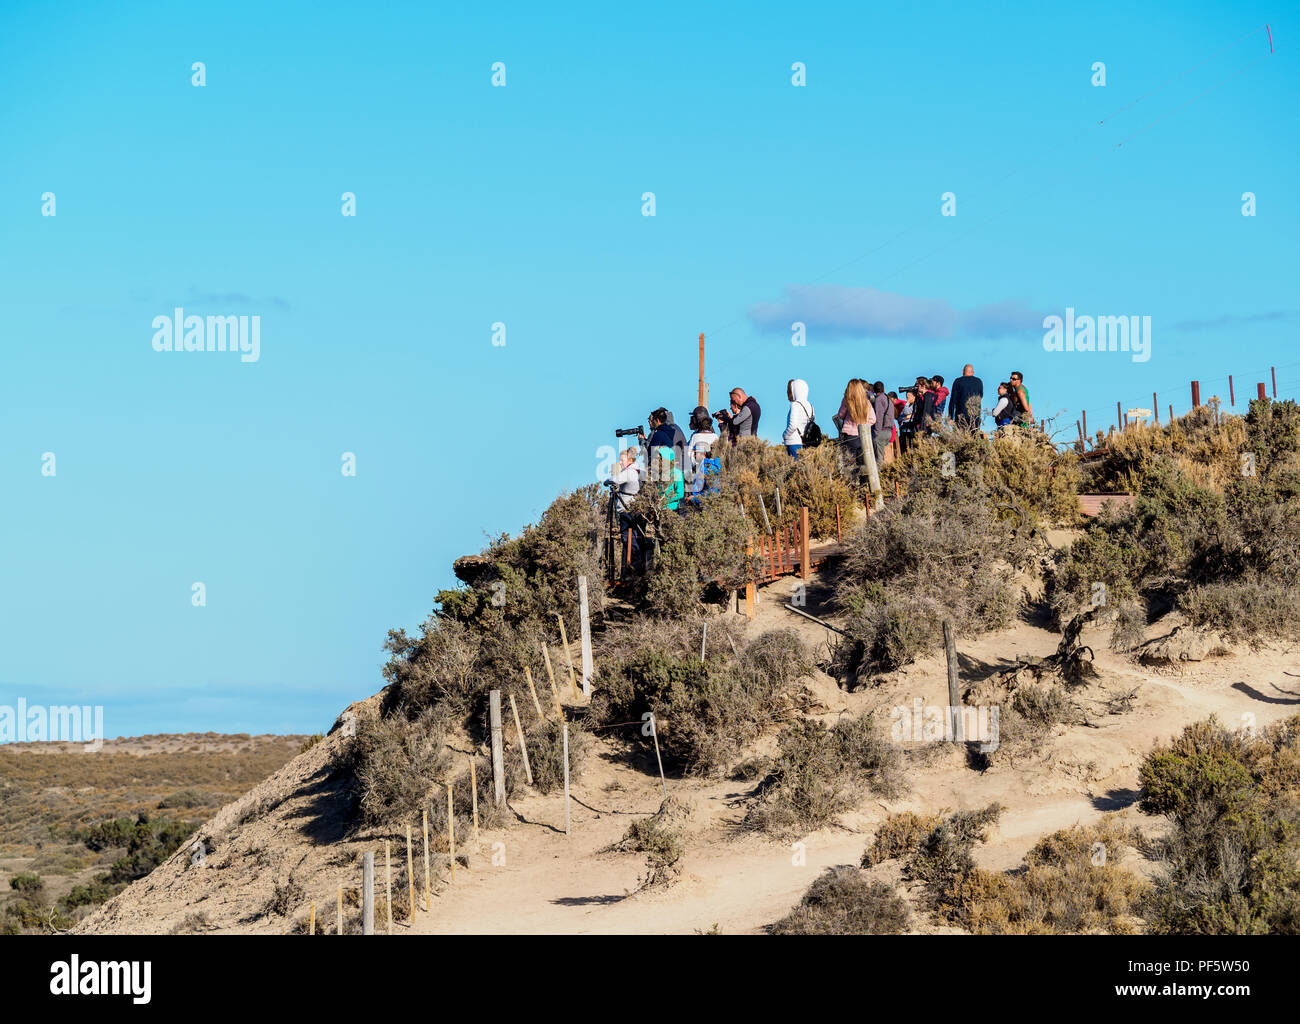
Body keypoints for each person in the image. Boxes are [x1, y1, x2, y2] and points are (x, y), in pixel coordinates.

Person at [609, 446, 643, 572]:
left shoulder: (629, 472)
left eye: (622, 460)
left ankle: (632, 569)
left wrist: (608, 480)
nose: (620, 463)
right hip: (635, 508)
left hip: (626, 508)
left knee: (628, 538)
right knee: (634, 537)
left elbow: (614, 480)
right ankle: (633, 567)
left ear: (629, 460)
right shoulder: (639, 470)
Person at [686, 406, 720, 498]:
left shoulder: (695, 436)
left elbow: (688, 455)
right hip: (712, 470)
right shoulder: (715, 436)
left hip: (698, 470)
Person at [946, 364, 984, 431]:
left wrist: (950, 417)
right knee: (974, 437)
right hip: (975, 415)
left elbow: (953, 400)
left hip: (961, 415)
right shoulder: (979, 381)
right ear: (973, 372)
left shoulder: (958, 381)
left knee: (960, 438)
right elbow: (980, 396)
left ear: (963, 371)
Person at [783, 378, 814, 458]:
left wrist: (785, 435)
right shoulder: (810, 405)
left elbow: (793, 425)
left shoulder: (795, 405)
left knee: (794, 466)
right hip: (806, 442)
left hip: (793, 441)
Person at [871, 380, 894, 464]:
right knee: (884, 458)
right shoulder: (888, 399)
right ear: (883, 389)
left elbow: (879, 417)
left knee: (878, 460)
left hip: (881, 431)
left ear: (874, 390)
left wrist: (876, 432)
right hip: (888, 431)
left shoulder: (879, 399)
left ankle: (880, 476)